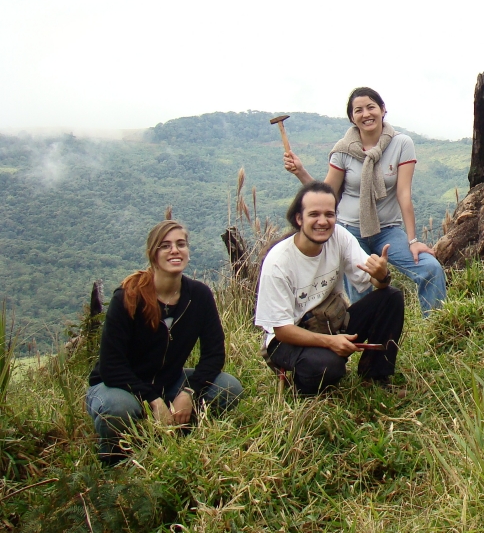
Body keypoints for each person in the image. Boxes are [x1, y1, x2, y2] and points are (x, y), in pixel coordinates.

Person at [86, 219, 242, 464]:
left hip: (170, 380)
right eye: (165, 246)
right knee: (118, 409)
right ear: (153, 254)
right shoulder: (129, 297)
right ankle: (116, 456)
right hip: (119, 386)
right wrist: (153, 400)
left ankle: (180, 433)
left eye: (181, 244)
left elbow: (214, 355)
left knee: (229, 387)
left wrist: (189, 392)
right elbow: (111, 366)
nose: (174, 250)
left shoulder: (198, 296)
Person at [284, 87, 446, 315]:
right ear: (352, 117)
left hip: (388, 230)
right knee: (361, 284)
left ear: (382, 109)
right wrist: (301, 172)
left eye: (371, 107)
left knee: (430, 269)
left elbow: (403, 194)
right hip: (349, 231)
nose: (366, 114)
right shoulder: (343, 150)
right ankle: (367, 341)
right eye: (358, 110)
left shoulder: (401, 144)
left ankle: (438, 329)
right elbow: (326, 195)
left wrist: (413, 240)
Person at [254, 182, 405, 394]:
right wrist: (330, 342)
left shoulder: (339, 237)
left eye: (329, 214)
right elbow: (282, 330)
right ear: (299, 219)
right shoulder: (278, 262)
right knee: (329, 366)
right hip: (288, 339)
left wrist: (382, 275)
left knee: (391, 297)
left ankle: (376, 376)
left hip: (331, 321)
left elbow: (375, 282)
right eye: (314, 214)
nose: (323, 222)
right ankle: (303, 388)